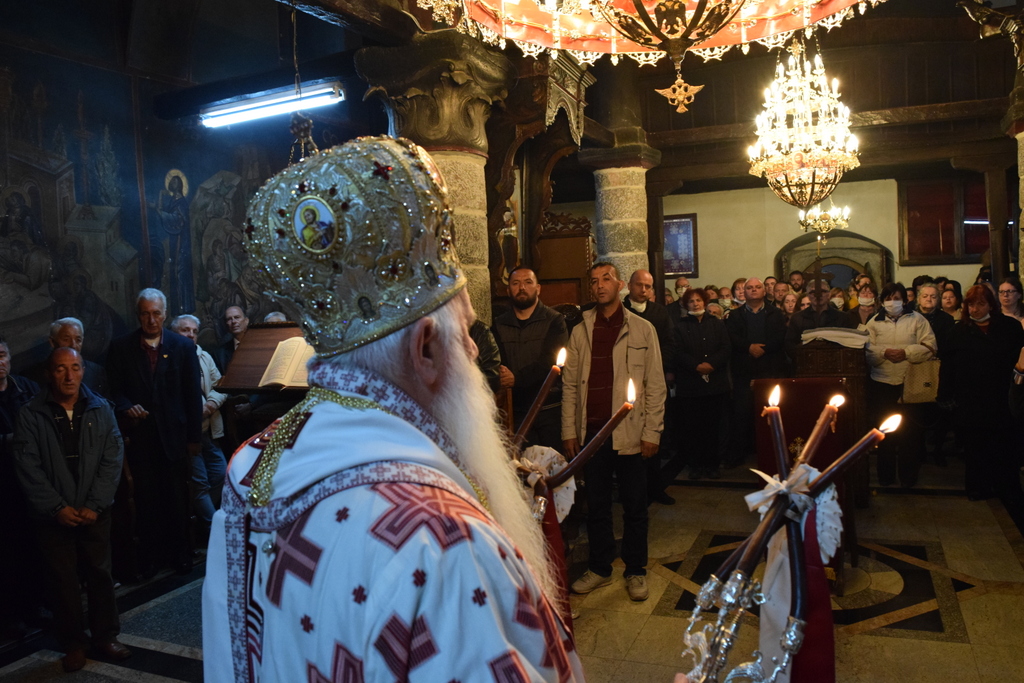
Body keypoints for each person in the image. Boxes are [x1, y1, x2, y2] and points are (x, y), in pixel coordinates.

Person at [202, 137, 582, 682]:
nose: (474, 352)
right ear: (425, 347)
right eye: (466, 332)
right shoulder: (445, 541)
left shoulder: (252, 467)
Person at [13, 347, 130, 672]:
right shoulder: (30, 414)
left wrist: (95, 504)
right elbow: (28, 467)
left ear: (83, 371)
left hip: (94, 511)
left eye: (75, 368)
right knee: (62, 581)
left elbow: (112, 458)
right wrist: (56, 508)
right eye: (61, 369)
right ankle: (73, 643)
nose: (69, 376)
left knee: (100, 574)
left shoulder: (101, 408)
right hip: (53, 516)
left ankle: (105, 636)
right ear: (49, 374)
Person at [563, 262, 666, 602]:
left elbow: (655, 385)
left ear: (619, 284)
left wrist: (652, 431)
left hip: (630, 432)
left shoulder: (642, 329)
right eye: (594, 281)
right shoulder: (581, 330)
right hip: (593, 432)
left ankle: (636, 570)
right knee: (597, 506)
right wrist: (569, 431)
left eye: (606, 279)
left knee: (635, 506)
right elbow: (570, 386)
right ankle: (600, 567)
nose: (600, 285)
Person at [106, 289, 202, 577]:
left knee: (177, 499)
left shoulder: (182, 347)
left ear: (165, 314)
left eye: (156, 313)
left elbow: (192, 396)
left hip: (175, 438)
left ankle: (180, 554)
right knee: (146, 501)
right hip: (141, 438)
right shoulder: (121, 347)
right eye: (145, 313)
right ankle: (149, 559)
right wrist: (126, 406)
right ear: (138, 315)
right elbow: (114, 391)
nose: (151, 319)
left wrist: (194, 439)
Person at [942, 285, 1024, 511]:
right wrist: (945, 395)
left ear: (991, 305)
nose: (975, 309)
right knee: (975, 447)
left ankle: (1006, 487)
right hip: (971, 399)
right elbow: (948, 367)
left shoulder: (1009, 327)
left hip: (1002, 396)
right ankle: (978, 487)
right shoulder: (959, 331)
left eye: (980, 304)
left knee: (1004, 445)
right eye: (971, 304)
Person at [865, 282, 936, 488]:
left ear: (904, 300)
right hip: (882, 382)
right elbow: (867, 349)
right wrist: (884, 352)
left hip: (909, 382)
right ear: (882, 301)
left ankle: (908, 477)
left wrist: (906, 352)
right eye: (888, 298)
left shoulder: (918, 320)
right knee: (884, 433)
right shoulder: (874, 322)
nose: (892, 302)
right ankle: (886, 477)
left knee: (910, 434)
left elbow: (930, 346)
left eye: (896, 298)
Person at [491, 266, 569, 449]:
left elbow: (550, 360)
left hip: (548, 410)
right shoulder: (499, 324)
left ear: (538, 288)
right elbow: (498, 361)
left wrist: (517, 378)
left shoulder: (554, 320)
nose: (522, 288)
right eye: (516, 283)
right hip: (515, 409)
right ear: (508, 290)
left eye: (528, 282)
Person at [169, 315, 228, 547]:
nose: (191, 335)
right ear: (174, 333)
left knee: (222, 474)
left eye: (194, 331)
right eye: (185, 330)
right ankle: (217, 532)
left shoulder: (204, 356)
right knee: (199, 483)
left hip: (208, 429)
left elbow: (221, 384)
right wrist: (194, 412)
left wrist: (210, 405)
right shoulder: (170, 358)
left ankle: (205, 522)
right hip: (187, 434)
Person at [0, 336, 43, 636]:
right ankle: (9, 615)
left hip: (31, 481)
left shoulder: (26, 388)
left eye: (2, 355)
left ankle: (33, 607)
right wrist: (14, 441)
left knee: (33, 547)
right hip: (3, 485)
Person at [622, 269, 675, 505]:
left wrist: (654, 367)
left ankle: (655, 488)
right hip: (626, 382)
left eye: (648, 286)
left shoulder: (659, 312)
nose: (643, 290)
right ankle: (630, 491)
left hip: (652, 380)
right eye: (639, 285)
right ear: (630, 286)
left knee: (653, 435)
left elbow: (669, 344)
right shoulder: (621, 310)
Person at [725, 277, 787, 468]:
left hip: (770, 369)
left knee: (770, 414)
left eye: (757, 287)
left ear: (764, 291)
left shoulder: (776, 313)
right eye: (749, 287)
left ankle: (772, 455)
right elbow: (731, 337)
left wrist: (763, 349)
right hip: (744, 370)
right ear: (744, 292)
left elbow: (780, 337)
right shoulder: (735, 315)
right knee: (741, 414)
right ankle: (738, 456)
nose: (753, 290)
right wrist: (749, 347)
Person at [669, 289, 730, 480]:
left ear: (704, 302)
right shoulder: (679, 326)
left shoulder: (717, 324)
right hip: (690, 385)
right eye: (691, 301)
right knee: (693, 428)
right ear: (686, 304)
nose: (695, 304)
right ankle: (695, 465)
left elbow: (725, 348)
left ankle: (712, 465)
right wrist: (696, 366)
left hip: (715, 384)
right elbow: (678, 352)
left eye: (698, 300)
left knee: (713, 427)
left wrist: (711, 364)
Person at [29, 318, 108, 397]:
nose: (73, 345)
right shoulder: (33, 375)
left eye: (78, 340)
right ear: (52, 342)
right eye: (66, 340)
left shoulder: (96, 372)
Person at [786, 276, 848, 369]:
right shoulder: (798, 318)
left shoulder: (842, 317)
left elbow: (847, 343)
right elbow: (790, 344)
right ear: (808, 295)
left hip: (834, 366)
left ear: (829, 294)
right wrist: (805, 358)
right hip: (806, 366)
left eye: (823, 291)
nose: (818, 295)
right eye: (813, 292)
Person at [215, 305, 249, 374]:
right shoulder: (220, 354)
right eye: (229, 319)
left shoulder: (260, 345)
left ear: (246, 321)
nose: (233, 321)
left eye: (237, 317)